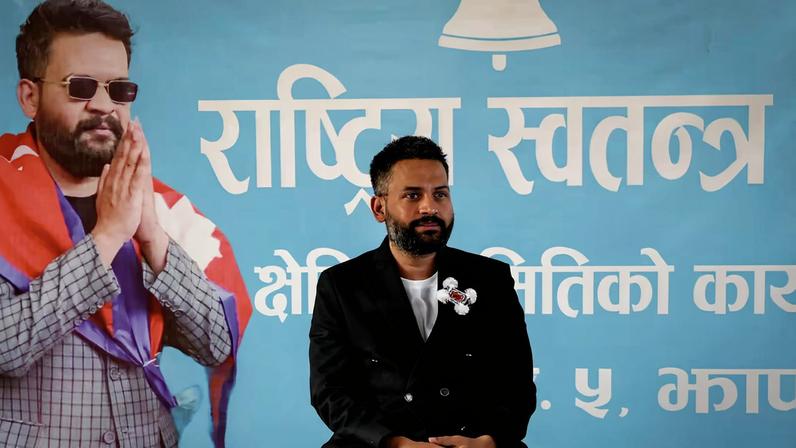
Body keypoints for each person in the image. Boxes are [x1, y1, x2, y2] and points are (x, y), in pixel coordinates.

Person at [0, 1, 252, 446]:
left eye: (118, 89)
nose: (103, 105)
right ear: (29, 97)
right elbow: (7, 348)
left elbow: (216, 344)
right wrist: (108, 236)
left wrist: (152, 236)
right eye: (80, 87)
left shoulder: (159, 206)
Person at [309, 136, 536, 448]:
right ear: (379, 207)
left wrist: (487, 441)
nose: (430, 206)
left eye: (440, 194)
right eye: (413, 195)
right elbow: (330, 392)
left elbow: (516, 386)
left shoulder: (490, 279)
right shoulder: (342, 285)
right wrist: (396, 444)